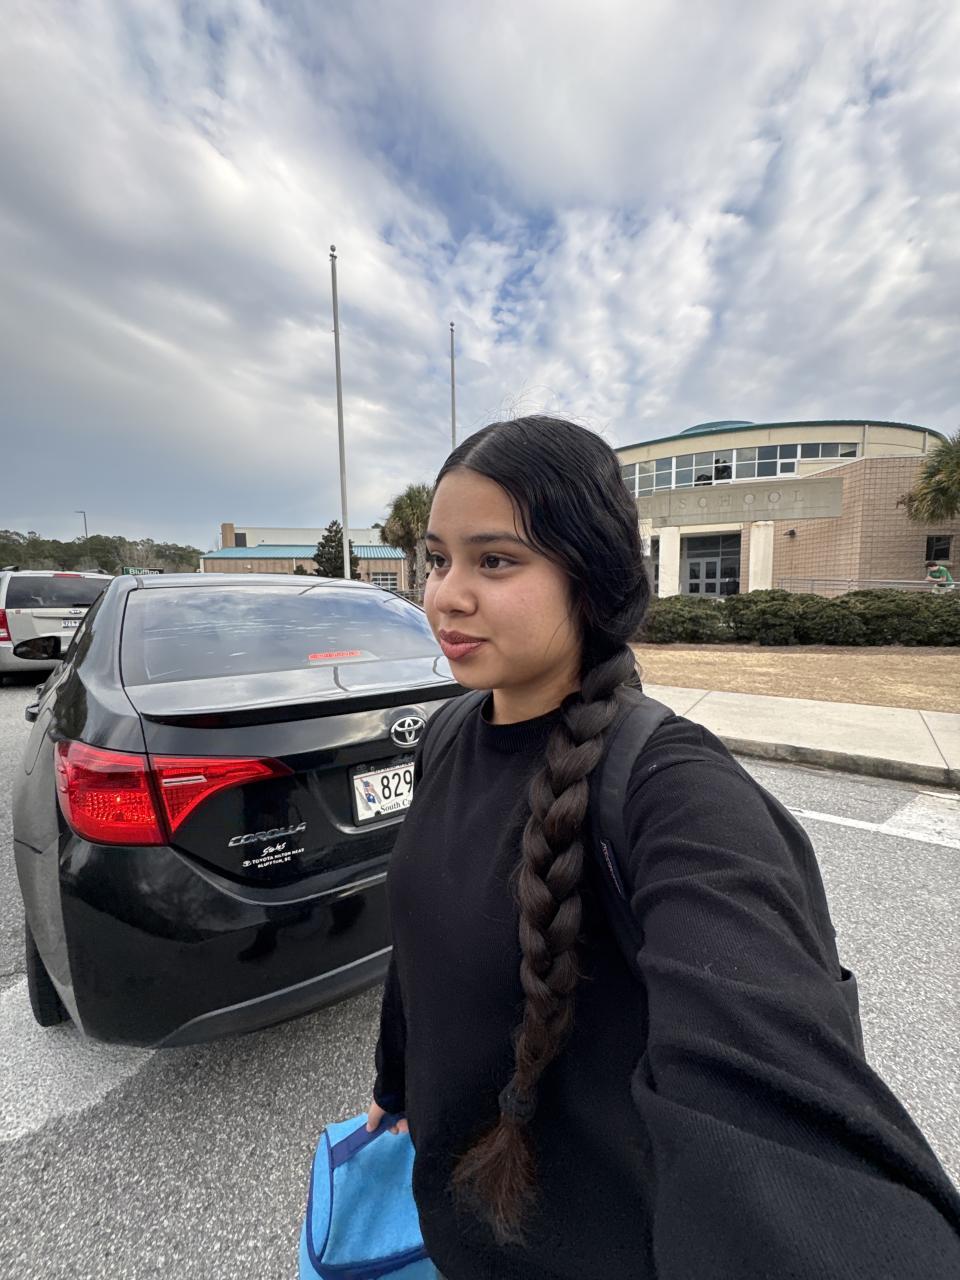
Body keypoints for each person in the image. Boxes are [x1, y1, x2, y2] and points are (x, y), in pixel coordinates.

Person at [366, 417, 960, 1280]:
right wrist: (395, 1081)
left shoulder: (672, 788)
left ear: (592, 577)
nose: (445, 596)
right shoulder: (448, 733)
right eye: (437, 559)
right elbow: (423, 942)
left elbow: (780, 1124)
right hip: (454, 1232)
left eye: (494, 561)